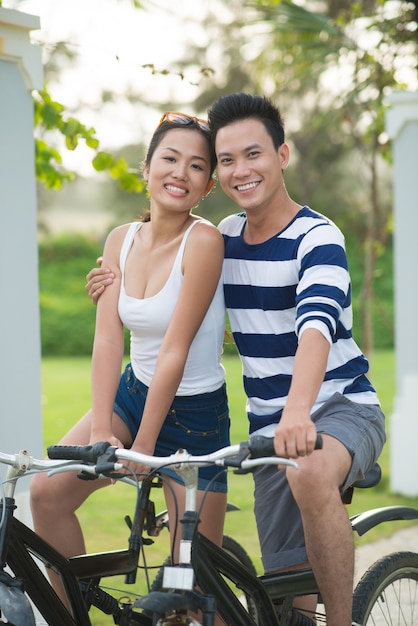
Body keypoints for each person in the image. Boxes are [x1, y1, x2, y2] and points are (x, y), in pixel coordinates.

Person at [85, 93, 386, 626]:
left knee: (312, 471)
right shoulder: (222, 238)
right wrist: (113, 282)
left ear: (283, 155)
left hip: (341, 408)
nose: (240, 170)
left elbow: (315, 326)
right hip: (270, 430)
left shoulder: (318, 237)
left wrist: (298, 411)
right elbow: (171, 280)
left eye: (254, 154)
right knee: (287, 604)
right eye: (226, 161)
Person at [30, 112, 230, 623]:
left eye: (195, 166)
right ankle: (72, 614)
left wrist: (143, 446)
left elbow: (174, 351)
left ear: (207, 185)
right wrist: (102, 427)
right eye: (169, 158)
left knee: (190, 585)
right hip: (133, 394)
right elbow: (108, 336)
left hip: (195, 417)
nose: (179, 173)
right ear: (146, 166)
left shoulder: (204, 243)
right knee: (48, 493)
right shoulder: (119, 240)